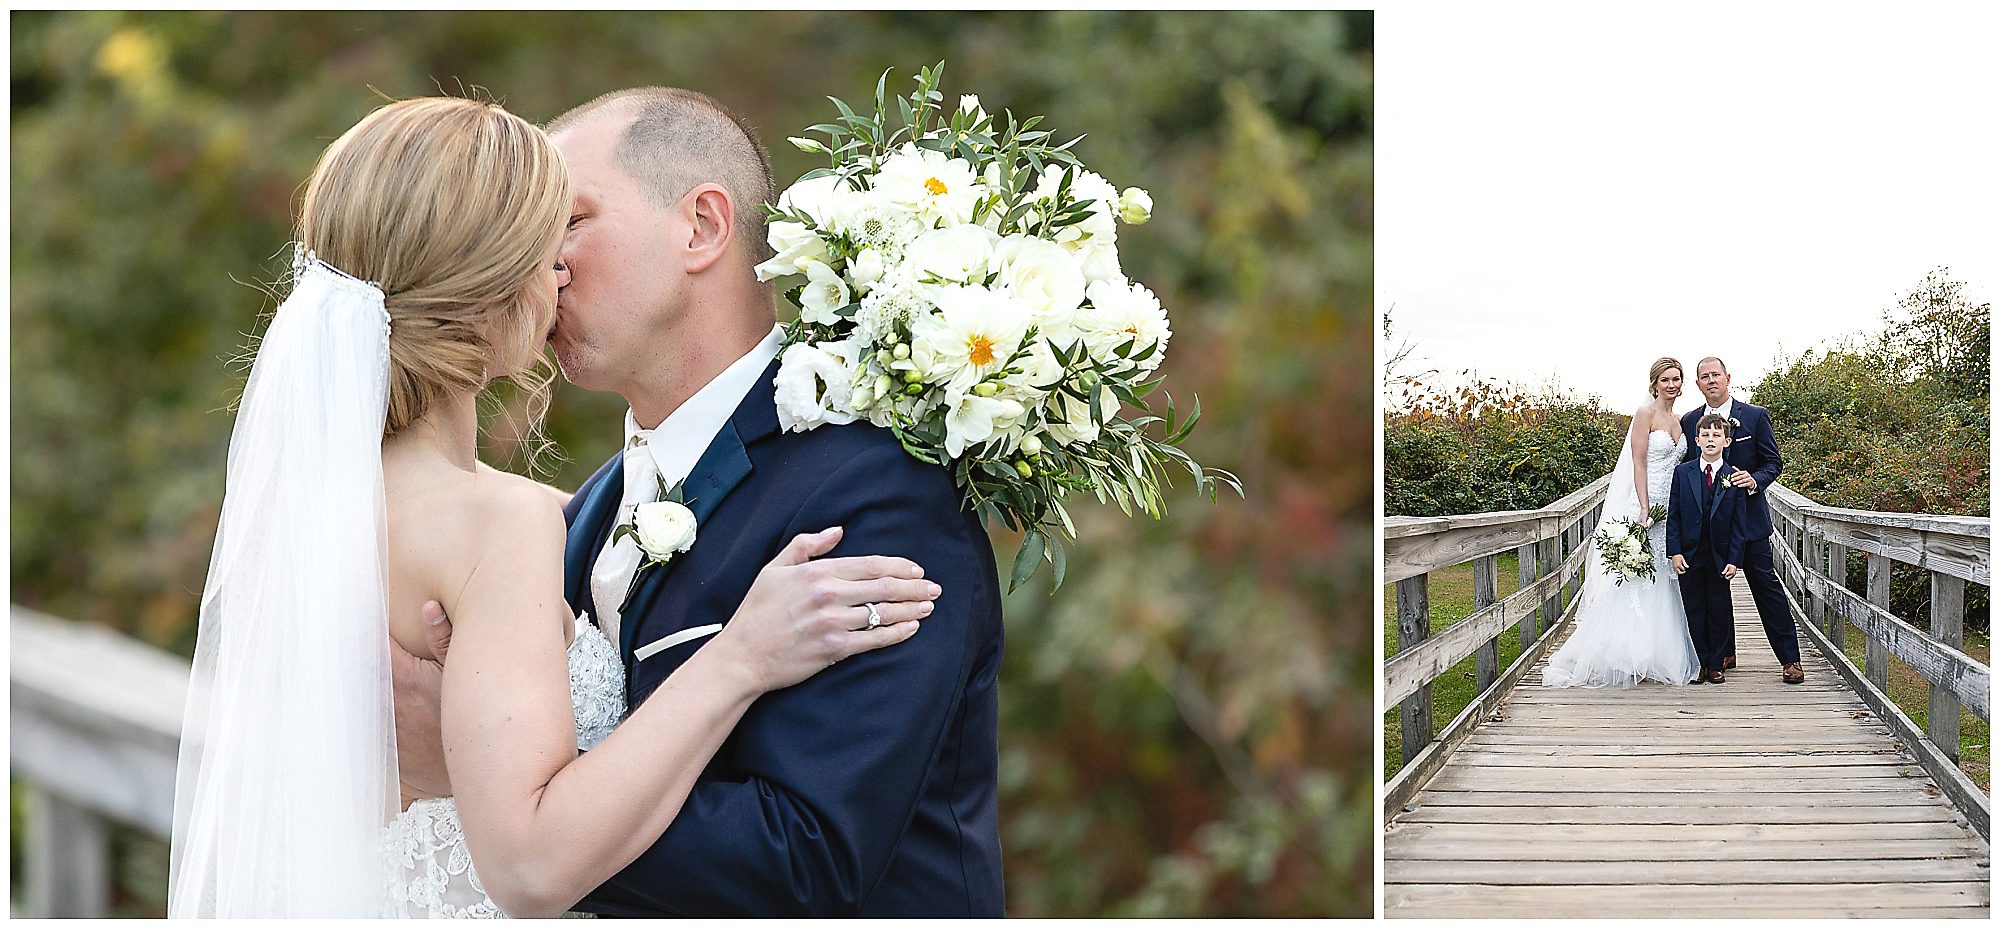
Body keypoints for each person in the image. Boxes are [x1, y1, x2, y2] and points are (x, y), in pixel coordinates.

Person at [169, 97, 940, 919]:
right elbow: (530, 861)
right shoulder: (504, 524)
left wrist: (464, 763)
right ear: (487, 279)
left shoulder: (326, 513)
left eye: (573, 224)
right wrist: (738, 659)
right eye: (546, 239)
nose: (559, 269)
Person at [392, 87, 1007, 917]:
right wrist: (503, 774)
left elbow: (803, 861)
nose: (546, 267)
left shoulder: (875, 488)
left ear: (703, 226)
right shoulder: (582, 515)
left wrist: (493, 788)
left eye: (569, 221)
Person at [1541, 357, 1700, 689]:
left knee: (1666, 575)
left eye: (1676, 379)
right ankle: (1627, 652)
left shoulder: (1680, 420)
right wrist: (1643, 507)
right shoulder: (1645, 415)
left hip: (1673, 507)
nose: (1671, 385)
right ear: (1654, 384)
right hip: (1645, 504)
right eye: (1665, 379)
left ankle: (1660, 652)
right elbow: (1638, 464)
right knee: (1637, 578)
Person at [1678, 356, 1803, 684]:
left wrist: (1756, 479)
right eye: (1704, 376)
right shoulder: (1690, 421)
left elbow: (1774, 462)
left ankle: (1790, 659)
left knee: (1766, 587)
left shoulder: (1754, 416)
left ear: (1728, 377)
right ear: (1698, 384)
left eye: (1715, 374)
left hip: (1750, 523)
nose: (1711, 380)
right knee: (1715, 588)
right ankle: (1724, 653)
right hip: (1709, 530)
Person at [1667, 413, 1753, 684]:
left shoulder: (1733, 477)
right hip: (1689, 554)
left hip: (1719, 555)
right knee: (1694, 607)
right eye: (1705, 435)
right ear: (1696, 441)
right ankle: (1699, 663)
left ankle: (1716, 663)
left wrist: (1734, 559)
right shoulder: (1683, 472)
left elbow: (1740, 524)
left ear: (1727, 441)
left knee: (1718, 608)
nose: (1710, 440)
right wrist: (1675, 551)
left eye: (1716, 435)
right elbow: (1675, 515)